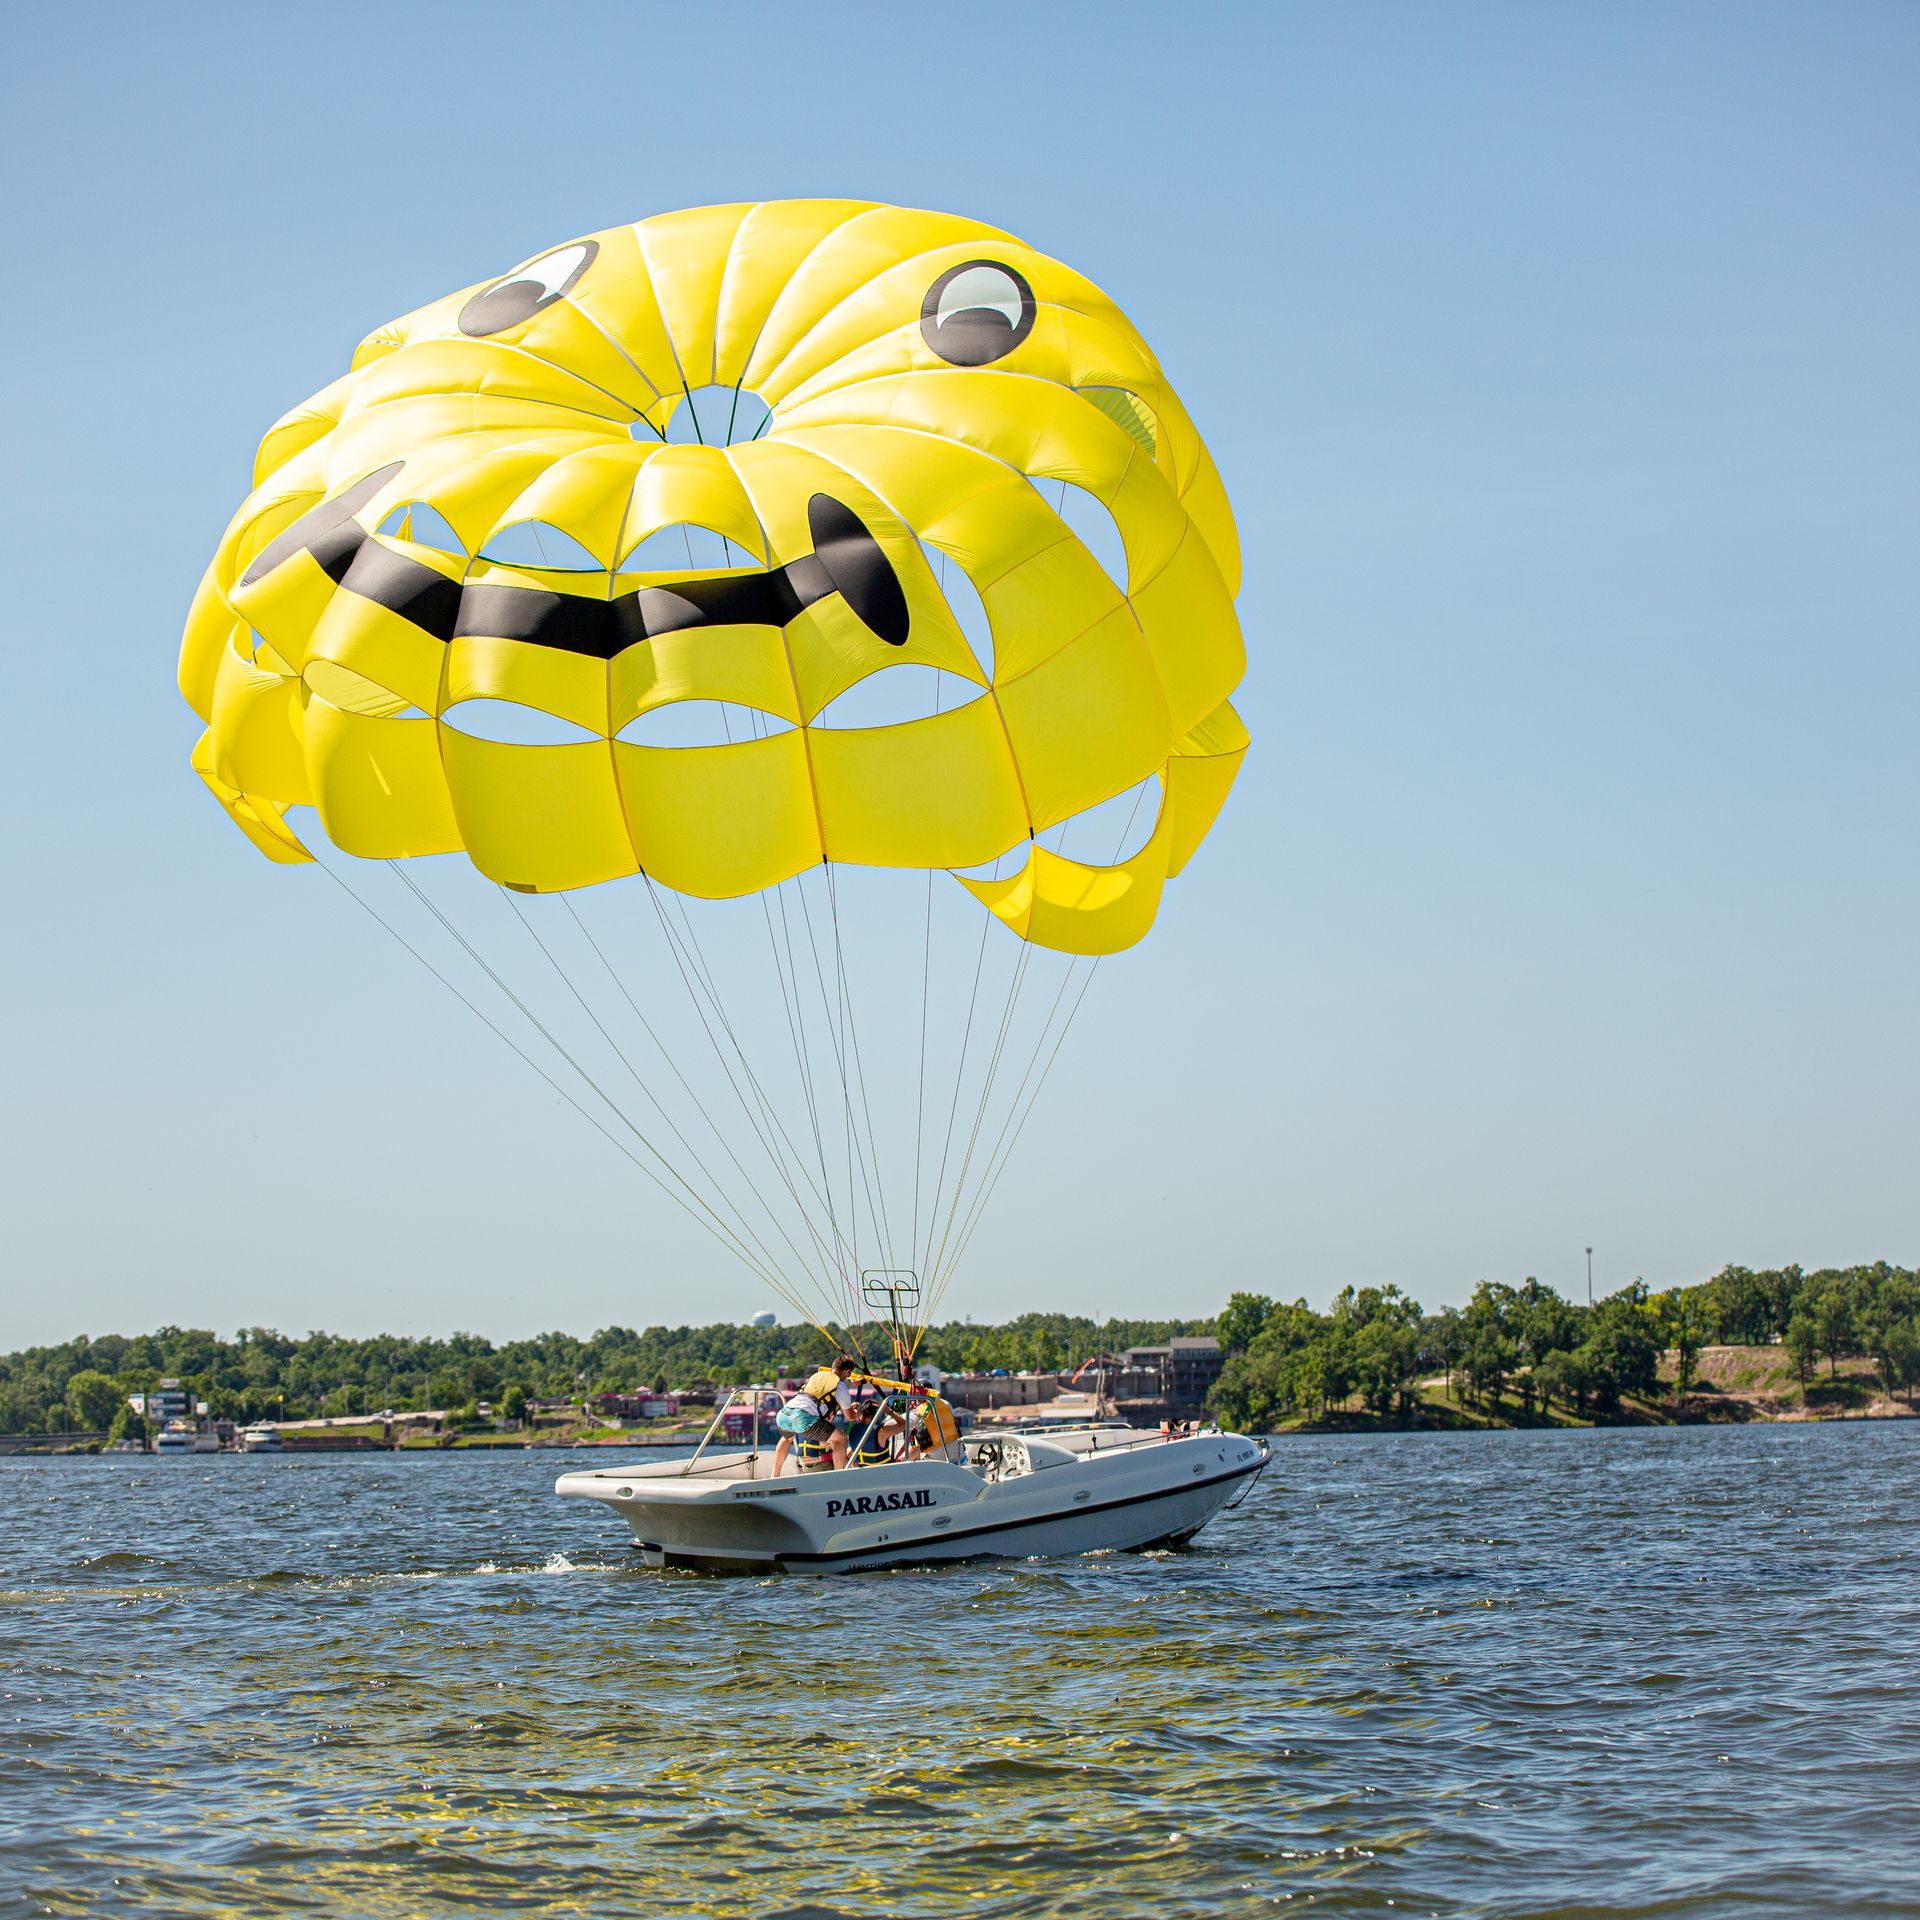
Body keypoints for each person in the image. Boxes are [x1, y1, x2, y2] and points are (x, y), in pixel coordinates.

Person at [771, 1359, 854, 1475]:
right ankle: (839, 1478)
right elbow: (850, 1416)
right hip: (802, 1417)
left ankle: (774, 1475)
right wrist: (856, 1412)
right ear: (848, 1373)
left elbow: (816, 1402)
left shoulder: (817, 1376)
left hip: (784, 1414)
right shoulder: (840, 1386)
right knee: (840, 1439)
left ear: (832, 1366)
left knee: (786, 1438)